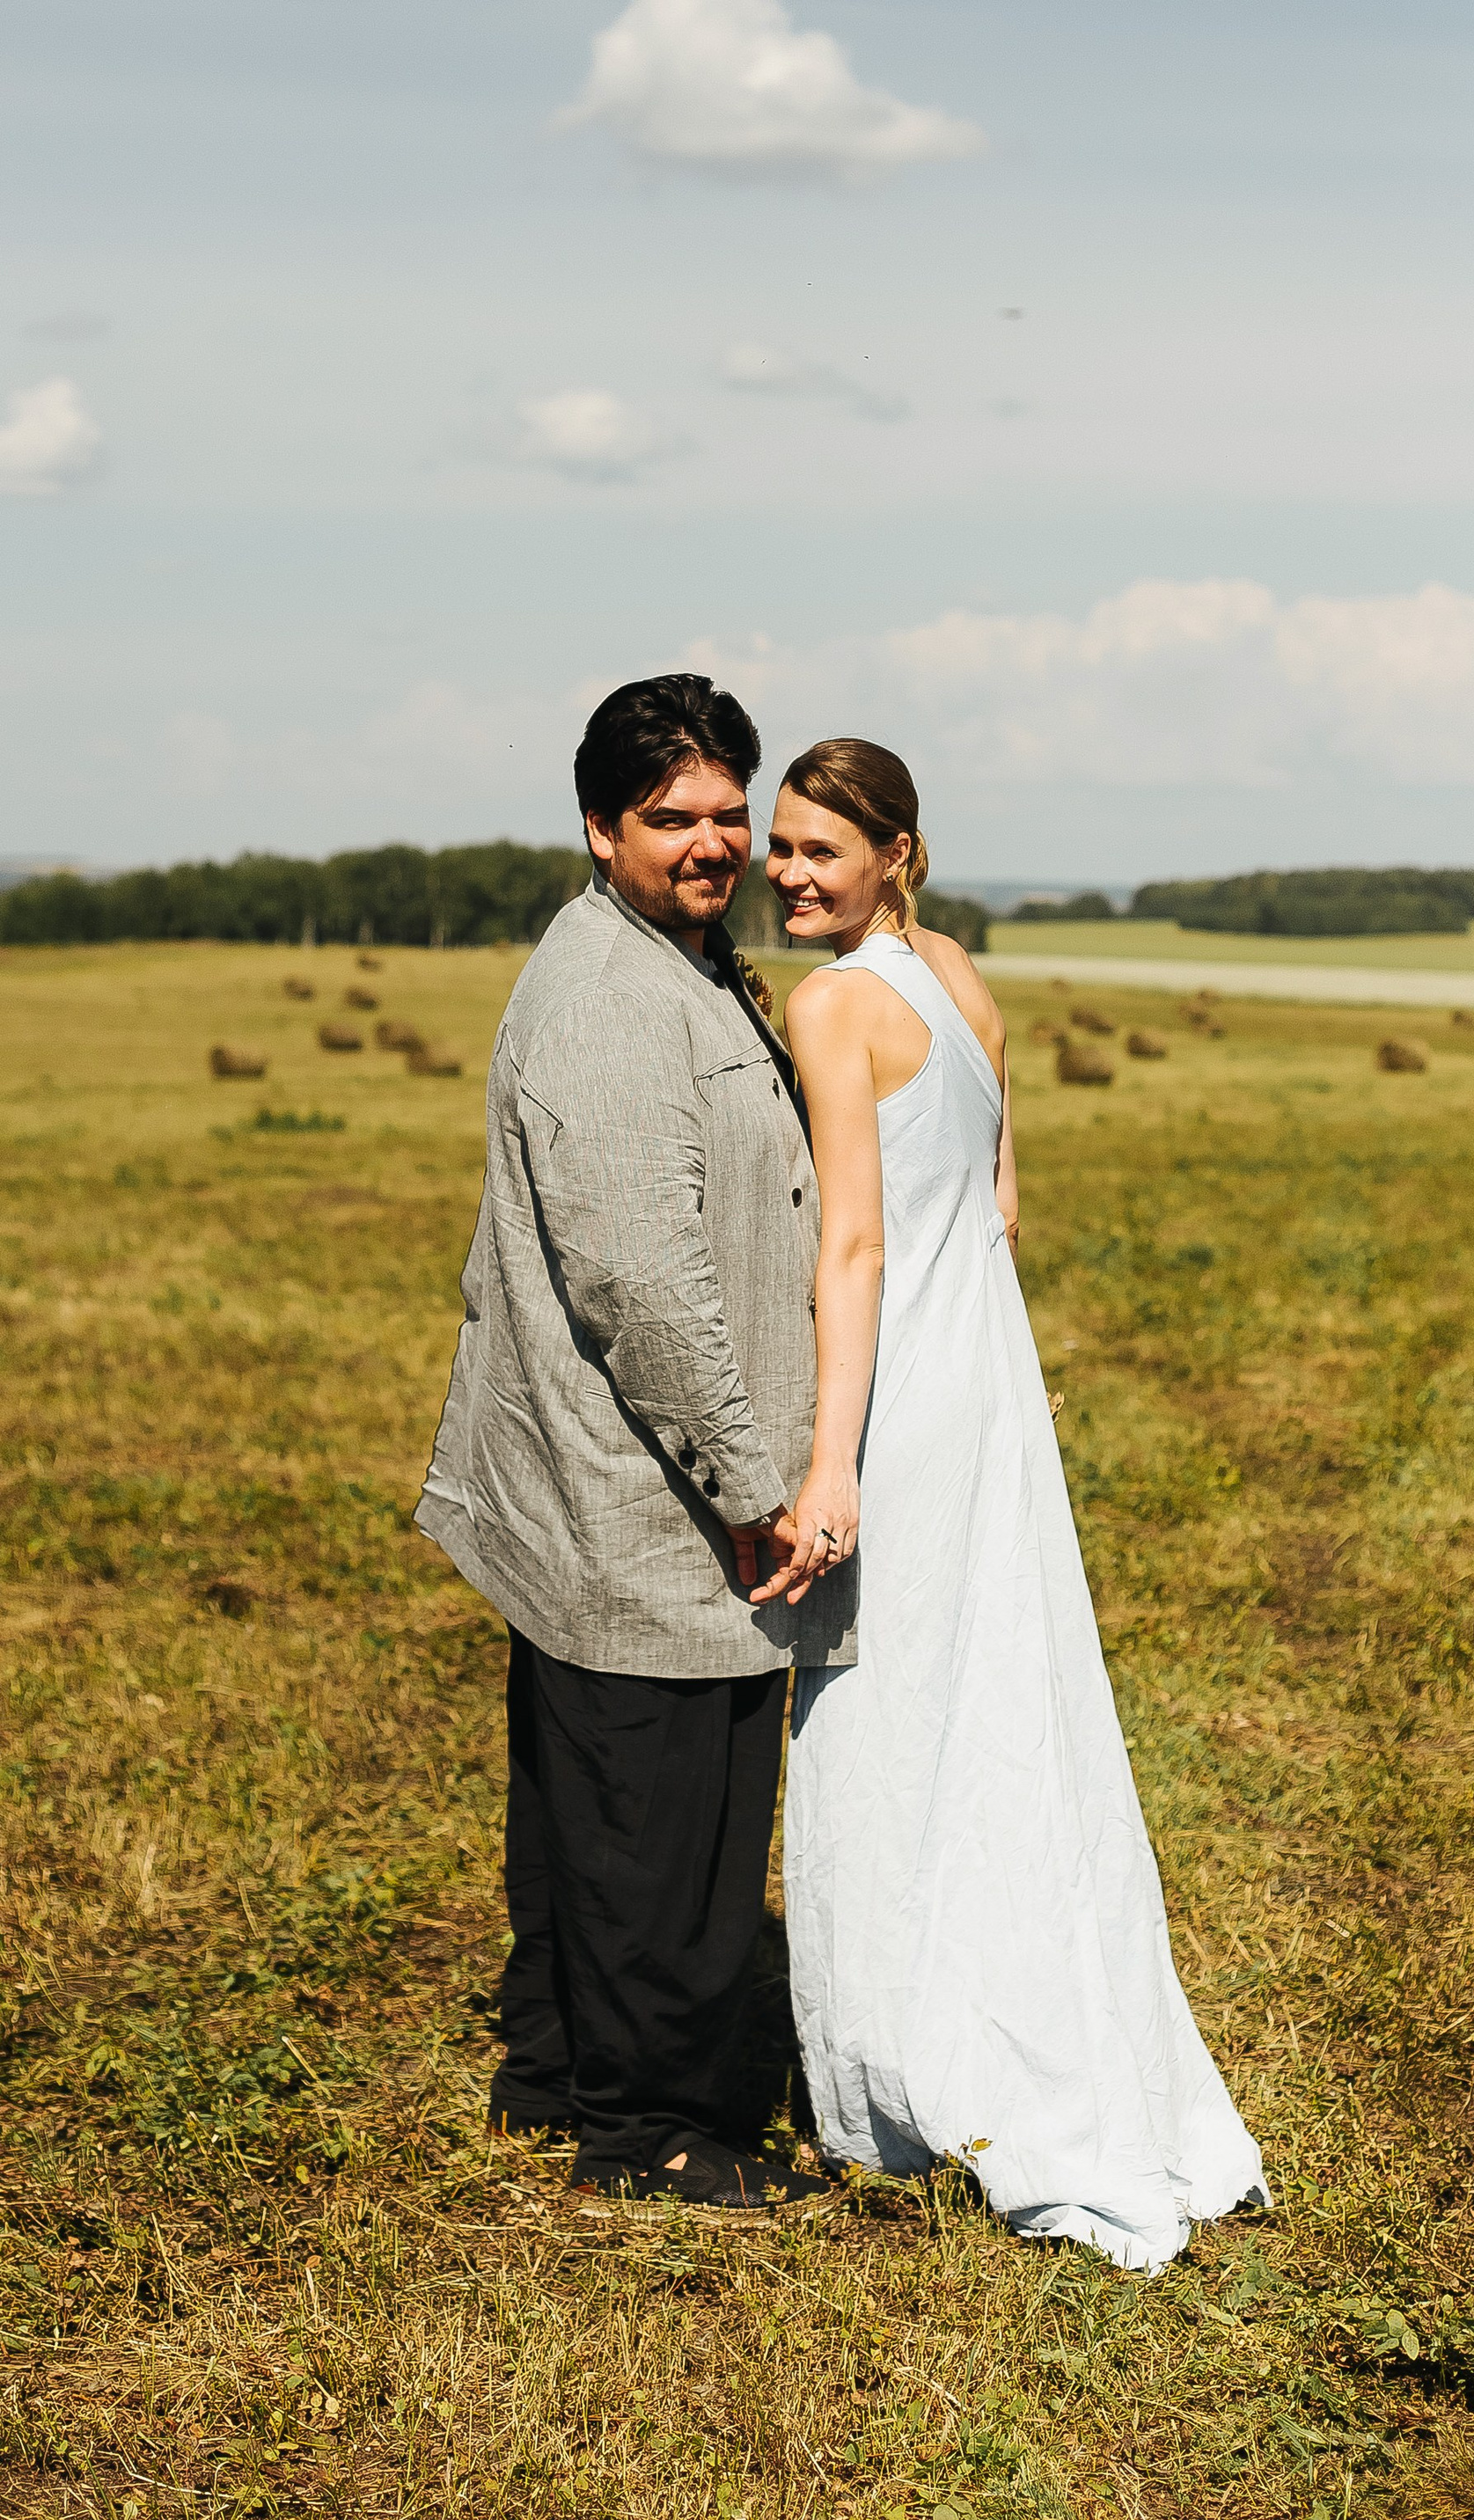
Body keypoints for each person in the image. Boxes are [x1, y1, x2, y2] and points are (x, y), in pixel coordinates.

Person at [757, 736, 1267, 2269]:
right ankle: (1028, 2011)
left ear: (893, 854)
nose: (786, 873)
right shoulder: (960, 977)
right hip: (986, 1391)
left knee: (879, 1718)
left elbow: (856, 1248)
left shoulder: (830, 1004)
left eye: (817, 853)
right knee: (1005, 1707)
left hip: (902, 1399)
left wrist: (831, 1459)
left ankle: (892, 2087)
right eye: (780, 847)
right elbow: (998, 1208)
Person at [414, 675, 851, 2208]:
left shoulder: (674, 959)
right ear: (600, 829)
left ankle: (554, 2076)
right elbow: (642, 1284)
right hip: (649, 1492)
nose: (715, 841)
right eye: (674, 817)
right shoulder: (611, 997)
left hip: (630, 1482)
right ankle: (656, 2132)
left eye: (731, 812)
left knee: (593, 1805)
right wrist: (750, 1482)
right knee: (672, 1823)